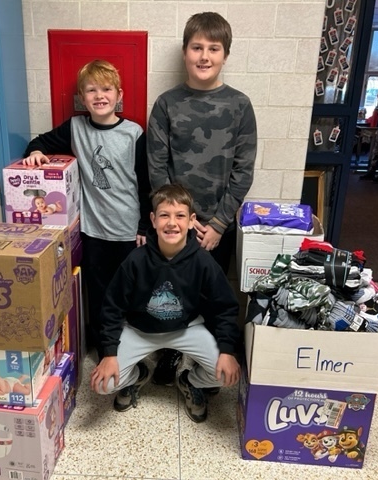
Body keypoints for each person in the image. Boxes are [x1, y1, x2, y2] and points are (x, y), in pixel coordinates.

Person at [146, 11, 257, 385]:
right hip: (175, 224)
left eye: (214, 48)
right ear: (184, 52)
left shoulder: (240, 106)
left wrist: (218, 224)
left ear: (225, 54)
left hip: (218, 225)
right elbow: (157, 169)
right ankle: (170, 353)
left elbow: (243, 172)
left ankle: (204, 369)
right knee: (169, 292)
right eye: (197, 47)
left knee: (211, 294)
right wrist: (179, 221)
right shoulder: (166, 104)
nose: (204, 56)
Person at [22, 60, 151, 359]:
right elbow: (39, 141)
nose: (99, 96)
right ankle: (106, 349)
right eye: (91, 90)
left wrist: (144, 226)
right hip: (93, 231)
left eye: (106, 89)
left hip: (128, 232)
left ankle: (131, 350)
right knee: (99, 292)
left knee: (131, 292)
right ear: (82, 97)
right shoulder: (76, 127)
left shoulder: (134, 133)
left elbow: (146, 184)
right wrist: (36, 152)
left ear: (119, 94)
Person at [89, 184, 241, 423]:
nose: (172, 223)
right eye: (164, 215)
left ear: (191, 221)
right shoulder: (135, 261)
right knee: (103, 384)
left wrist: (227, 350)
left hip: (186, 328)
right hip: (140, 331)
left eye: (180, 216)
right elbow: (112, 307)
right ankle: (138, 374)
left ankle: (189, 381)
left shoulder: (203, 261)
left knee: (226, 375)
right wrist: (109, 353)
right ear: (153, 219)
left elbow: (224, 307)